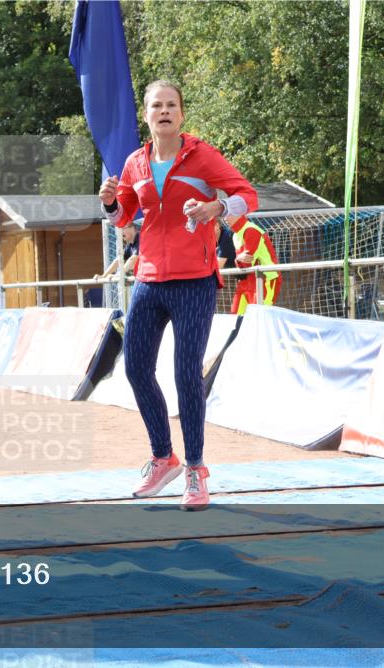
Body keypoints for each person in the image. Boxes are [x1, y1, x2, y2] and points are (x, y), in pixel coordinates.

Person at [99, 80, 257, 510]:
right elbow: (125, 216)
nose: (164, 111)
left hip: (195, 279)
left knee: (187, 373)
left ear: (181, 114)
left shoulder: (202, 155)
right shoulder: (135, 162)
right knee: (135, 368)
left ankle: (195, 470)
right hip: (149, 278)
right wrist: (111, 204)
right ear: (146, 115)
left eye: (171, 105)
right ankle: (162, 456)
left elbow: (248, 195)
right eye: (156, 105)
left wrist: (218, 209)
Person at [227, 215, 281, 315]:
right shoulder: (235, 235)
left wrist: (237, 260)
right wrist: (238, 260)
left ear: (239, 214)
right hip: (245, 280)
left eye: (228, 214)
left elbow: (247, 262)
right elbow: (242, 262)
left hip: (265, 279)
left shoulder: (251, 230)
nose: (225, 218)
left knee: (258, 318)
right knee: (234, 318)